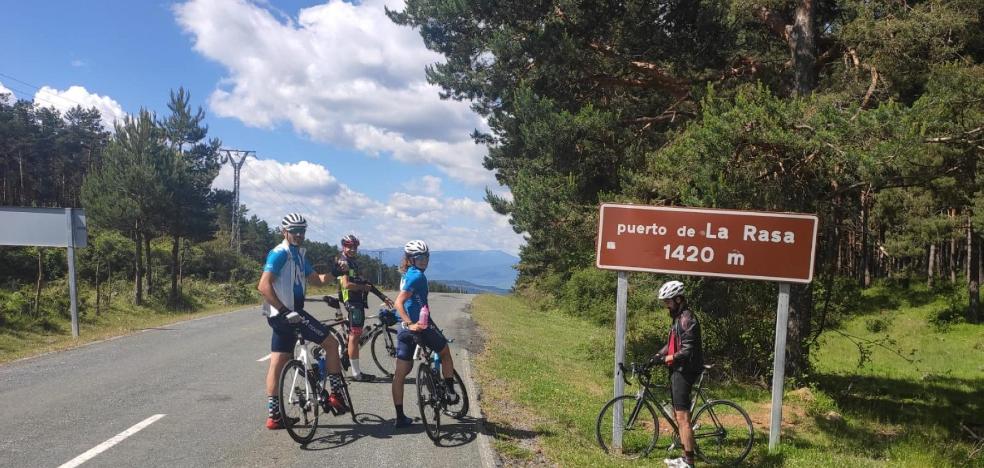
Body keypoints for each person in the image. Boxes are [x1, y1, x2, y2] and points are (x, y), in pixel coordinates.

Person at [257, 213, 348, 430]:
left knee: (278, 361)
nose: (299, 234)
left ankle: (274, 416)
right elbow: (263, 285)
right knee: (332, 344)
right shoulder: (280, 254)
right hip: (288, 314)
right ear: (284, 231)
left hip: (284, 315)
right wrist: (284, 310)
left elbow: (317, 281)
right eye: (294, 230)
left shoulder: (298, 255)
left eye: (302, 231)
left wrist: (335, 272)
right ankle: (336, 394)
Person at [390, 240, 457, 428]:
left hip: (403, 329)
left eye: (425, 257)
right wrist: (410, 323)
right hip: (419, 325)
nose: (423, 261)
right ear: (410, 259)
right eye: (418, 258)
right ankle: (451, 391)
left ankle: (400, 417)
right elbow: (399, 303)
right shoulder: (417, 276)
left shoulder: (407, 273)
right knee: (444, 352)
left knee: (400, 374)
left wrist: (404, 323)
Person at [652, 280, 704, 468]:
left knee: (683, 418)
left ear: (679, 299)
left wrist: (666, 359)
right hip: (678, 370)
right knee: (679, 416)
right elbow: (673, 343)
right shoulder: (678, 318)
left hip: (685, 371)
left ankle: (689, 462)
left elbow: (687, 351)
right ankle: (684, 457)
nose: (666, 305)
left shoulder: (687, 319)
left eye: (668, 301)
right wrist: (658, 355)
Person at [331, 234, 391, 382]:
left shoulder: (353, 262)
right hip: (351, 301)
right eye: (349, 246)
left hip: (357, 301)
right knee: (355, 336)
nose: (352, 249)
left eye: (354, 247)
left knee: (355, 335)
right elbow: (346, 284)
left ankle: (346, 356)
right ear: (343, 247)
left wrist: (382, 297)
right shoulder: (343, 261)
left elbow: (367, 283)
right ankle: (357, 374)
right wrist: (362, 287)